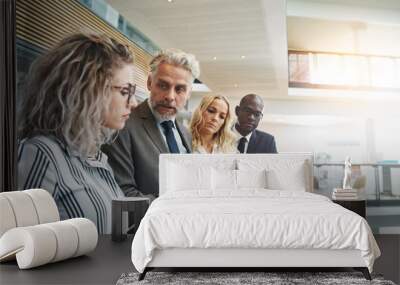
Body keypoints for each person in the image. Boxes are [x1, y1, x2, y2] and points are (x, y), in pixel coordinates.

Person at [18, 33, 137, 234]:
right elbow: (19, 248)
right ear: (89, 90)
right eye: (125, 91)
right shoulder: (40, 154)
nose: (133, 103)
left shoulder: (97, 157)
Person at [102, 49, 199, 199]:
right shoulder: (122, 126)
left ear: (189, 93)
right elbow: (123, 193)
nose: (170, 97)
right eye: (163, 85)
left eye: (180, 89)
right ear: (149, 83)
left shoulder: (185, 133)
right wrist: (177, 204)